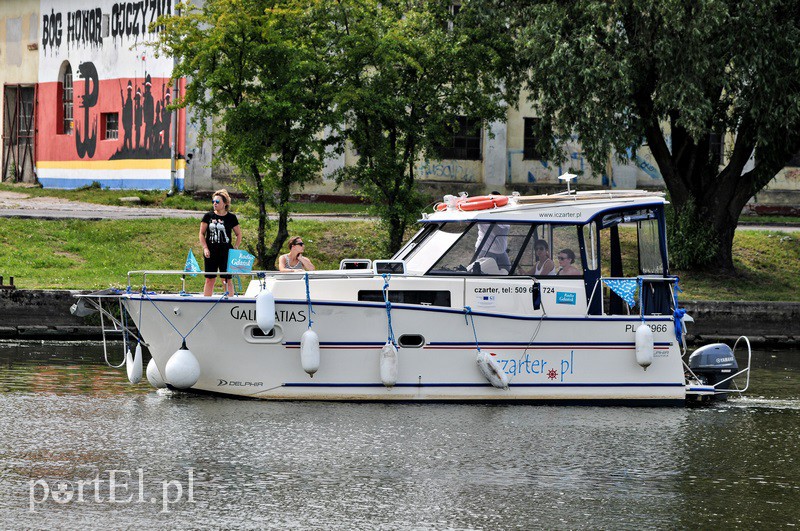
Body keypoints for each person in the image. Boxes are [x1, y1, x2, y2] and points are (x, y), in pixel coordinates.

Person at [199, 189, 242, 296]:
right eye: (213, 201)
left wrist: (236, 246)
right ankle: (207, 301)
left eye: (217, 202)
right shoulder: (208, 216)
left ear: (225, 203)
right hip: (211, 251)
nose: (215, 204)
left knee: (226, 279)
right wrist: (205, 248)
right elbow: (201, 233)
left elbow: (238, 234)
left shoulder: (231, 217)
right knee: (210, 279)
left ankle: (230, 301)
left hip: (226, 252)